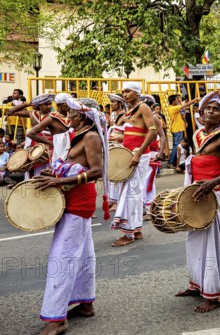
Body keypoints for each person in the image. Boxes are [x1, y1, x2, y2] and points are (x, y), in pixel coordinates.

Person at [32, 97, 108, 335]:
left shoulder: (91, 137)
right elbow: (76, 165)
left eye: (71, 114)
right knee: (84, 254)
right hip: (74, 201)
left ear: (82, 117)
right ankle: (85, 304)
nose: (67, 118)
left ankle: (57, 319)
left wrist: (60, 180)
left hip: (78, 202)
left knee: (63, 258)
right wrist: (53, 172)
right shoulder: (77, 137)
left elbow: (97, 171)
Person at [176, 91, 220, 312]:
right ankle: (197, 284)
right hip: (197, 196)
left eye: (215, 109)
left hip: (215, 197)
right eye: (207, 108)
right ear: (201, 112)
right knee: (194, 241)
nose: (210, 112)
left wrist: (213, 183)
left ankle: (214, 294)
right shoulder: (197, 134)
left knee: (214, 245)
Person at [111, 82, 157, 246]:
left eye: (128, 91)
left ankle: (128, 233)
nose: (124, 94)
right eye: (123, 91)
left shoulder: (143, 107)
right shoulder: (129, 112)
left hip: (137, 156)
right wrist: (118, 139)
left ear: (137, 93)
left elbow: (153, 131)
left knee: (130, 193)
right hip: (128, 155)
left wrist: (138, 152)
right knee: (134, 193)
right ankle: (136, 229)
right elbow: (133, 134)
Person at [27, 93, 73, 164]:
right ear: (59, 105)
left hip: (71, 150)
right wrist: (49, 142)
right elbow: (30, 133)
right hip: (58, 151)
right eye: (66, 103)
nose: (69, 105)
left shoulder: (72, 116)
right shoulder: (51, 118)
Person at [167, 94, 199, 168]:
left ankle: (173, 162)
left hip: (178, 128)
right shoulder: (173, 108)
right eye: (176, 99)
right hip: (177, 128)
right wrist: (195, 100)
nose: (178, 100)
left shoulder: (172, 107)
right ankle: (171, 162)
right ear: (173, 101)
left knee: (177, 145)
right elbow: (186, 104)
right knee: (177, 145)